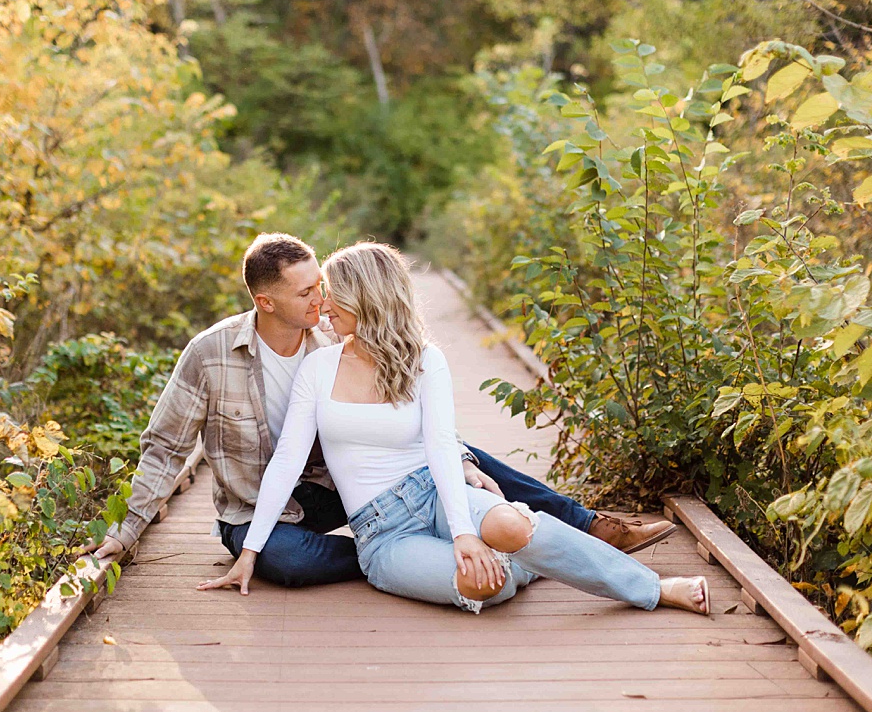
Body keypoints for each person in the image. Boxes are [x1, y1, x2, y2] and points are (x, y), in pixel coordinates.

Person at [84, 233, 675, 587]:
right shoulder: (211, 355)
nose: (324, 298)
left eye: (323, 284)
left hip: (354, 488)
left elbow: (417, 429)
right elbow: (164, 448)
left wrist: (460, 471)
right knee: (288, 568)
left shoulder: (337, 341)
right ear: (266, 302)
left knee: (454, 443)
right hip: (261, 505)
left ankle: (582, 525)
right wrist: (126, 531)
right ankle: (407, 559)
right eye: (306, 293)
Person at [198, 242, 708, 616]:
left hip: (433, 492)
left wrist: (464, 531)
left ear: (368, 301)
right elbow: (287, 460)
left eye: (334, 295)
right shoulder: (318, 365)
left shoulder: (425, 360)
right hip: (382, 533)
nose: (322, 306)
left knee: (506, 528)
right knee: (486, 582)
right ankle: (534, 559)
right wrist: (250, 553)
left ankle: (651, 588)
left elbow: (442, 447)